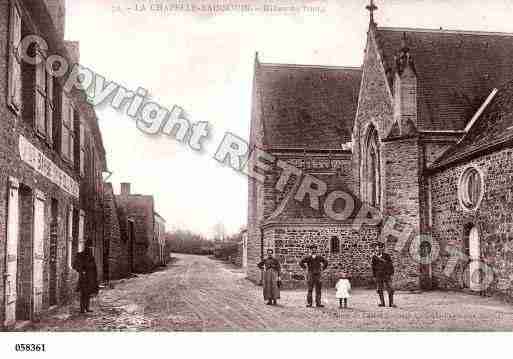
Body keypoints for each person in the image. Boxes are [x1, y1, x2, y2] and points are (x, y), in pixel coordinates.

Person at [72, 246, 99, 313]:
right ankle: (82, 309)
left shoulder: (91, 257)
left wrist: (95, 278)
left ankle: (87, 307)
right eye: (89, 248)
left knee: (88, 293)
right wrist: (81, 271)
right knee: (83, 293)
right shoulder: (80, 256)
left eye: (91, 249)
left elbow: (94, 267)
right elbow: (75, 265)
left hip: (90, 278)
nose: (90, 250)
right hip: (84, 278)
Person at [371, 242, 396, 308]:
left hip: (386, 275)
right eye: (377, 248)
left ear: (383, 249)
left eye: (380, 248)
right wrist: (374, 276)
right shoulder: (374, 257)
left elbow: (390, 265)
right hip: (379, 275)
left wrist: (391, 273)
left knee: (391, 289)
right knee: (379, 290)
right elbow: (373, 267)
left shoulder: (387, 256)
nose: (379, 249)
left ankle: (391, 303)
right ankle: (382, 303)